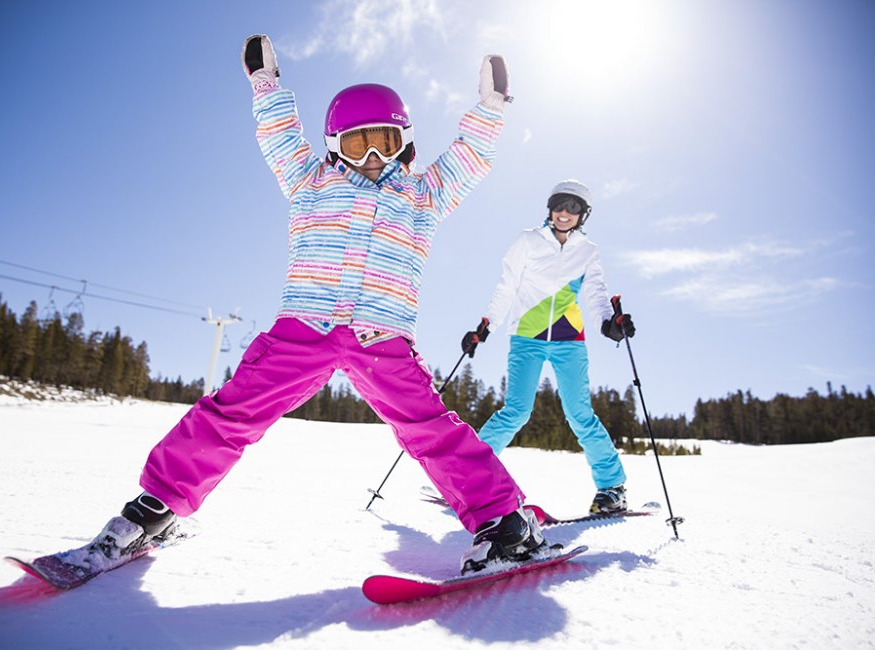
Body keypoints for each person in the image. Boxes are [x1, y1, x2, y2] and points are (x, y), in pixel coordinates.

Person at [82, 35, 545, 576]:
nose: (372, 157)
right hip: (302, 329)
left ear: (405, 142)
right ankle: (157, 507)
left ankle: (503, 522)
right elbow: (280, 137)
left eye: (383, 141)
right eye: (356, 145)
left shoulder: (424, 193)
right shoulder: (309, 181)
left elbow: (471, 158)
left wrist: (490, 110)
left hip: (382, 337)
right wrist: (265, 86)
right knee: (231, 412)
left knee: (428, 428)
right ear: (334, 147)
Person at [461, 179, 636, 514]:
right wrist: (485, 327)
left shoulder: (588, 251)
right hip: (527, 336)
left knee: (580, 414)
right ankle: (468, 476)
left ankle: (612, 488)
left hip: (570, 339)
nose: (565, 213)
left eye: (573, 208)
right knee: (516, 411)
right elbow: (506, 286)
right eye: (559, 206)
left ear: (584, 214)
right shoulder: (527, 241)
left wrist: (608, 325)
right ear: (549, 209)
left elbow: (597, 293)